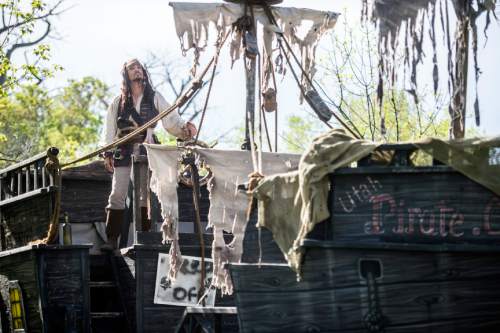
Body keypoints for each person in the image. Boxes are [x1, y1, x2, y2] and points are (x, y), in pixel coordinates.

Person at [102, 58, 197, 250]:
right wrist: (107, 153)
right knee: (117, 195)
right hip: (123, 150)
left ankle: (144, 237)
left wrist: (184, 129)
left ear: (144, 73)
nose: (137, 70)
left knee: (143, 196)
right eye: (132, 68)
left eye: (139, 67)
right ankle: (111, 240)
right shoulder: (117, 103)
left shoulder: (154, 97)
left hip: (147, 149)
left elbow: (171, 119)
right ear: (126, 74)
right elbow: (109, 130)